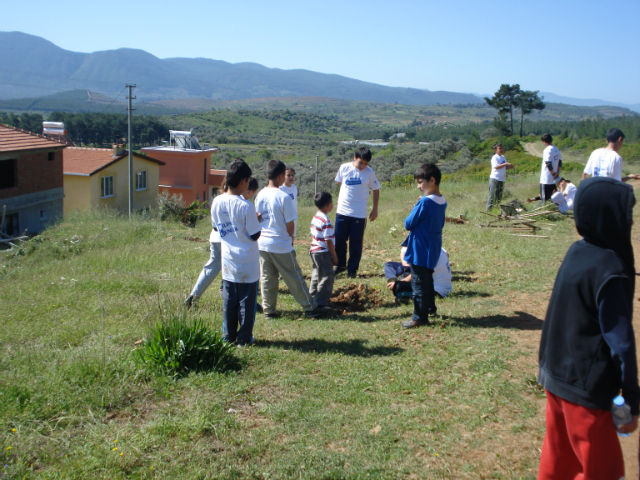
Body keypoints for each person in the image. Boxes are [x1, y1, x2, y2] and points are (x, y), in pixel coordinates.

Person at [537, 177, 639, 479]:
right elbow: (621, 342)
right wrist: (631, 398)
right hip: (587, 389)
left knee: (559, 459)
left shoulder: (576, 251)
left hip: (555, 376)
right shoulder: (612, 270)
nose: (630, 220)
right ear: (609, 217)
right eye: (626, 214)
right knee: (599, 469)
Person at [255, 160, 329, 318]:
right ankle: (311, 308)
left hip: (262, 243)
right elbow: (290, 225)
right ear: (281, 175)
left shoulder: (260, 194)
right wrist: (290, 240)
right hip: (280, 243)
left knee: (267, 278)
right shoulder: (283, 197)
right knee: (294, 277)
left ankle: (269, 310)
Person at [185, 176, 260, 308]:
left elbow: (216, 225)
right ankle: (244, 301)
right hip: (230, 241)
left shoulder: (220, 199)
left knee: (212, 267)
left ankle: (194, 296)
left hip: (216, 237)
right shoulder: (243, 203)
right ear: (247, 189)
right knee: (237, 270)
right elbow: (248, 232)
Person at [210, 161, 262, 347]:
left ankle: (228, 336)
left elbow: (216, 227)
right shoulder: (246, 205)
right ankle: (244, 338)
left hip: (228, 261)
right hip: (247, 261)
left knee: (230, 302)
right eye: (248, 181)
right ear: (243, 181)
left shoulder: (216, 201)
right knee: (247, 304)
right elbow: (255, 234)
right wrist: (257, 220)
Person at [401, 163, 447, 329]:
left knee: (418, 284)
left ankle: (418, 317)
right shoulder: (442, 201)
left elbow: (408, 223)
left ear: (432, 180)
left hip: (420, 249)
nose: (419, 186)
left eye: (421, 182)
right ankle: (430, 308)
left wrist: (417, 204)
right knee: (428, 280)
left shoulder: (425, 203)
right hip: (433, 248)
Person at [334, 146, 381, 278]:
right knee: (339, 239)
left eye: (366, 164)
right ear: (355, 158)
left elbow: (376, 189)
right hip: (342, 211)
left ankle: (352, 269)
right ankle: (340, 265)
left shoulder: (370, 173)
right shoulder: (344, 168)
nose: (362, 166)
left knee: (355, 242)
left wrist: (375, 209)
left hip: (359, 214)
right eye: (361, 162)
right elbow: (340, 183)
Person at [385, 242, 452, 299]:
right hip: (444, 288)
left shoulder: (427, 252)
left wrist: (399, 282)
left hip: (435, 291)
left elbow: (417, 273)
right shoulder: (436, 247)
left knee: (398, 288)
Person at [309, 192, 338, 308]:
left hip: (314, 251)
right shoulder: (326, 221)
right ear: (327, 205)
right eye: (331, 202)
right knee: (327, 277)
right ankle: (320, 303)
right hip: (323, 252)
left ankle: (311, 297)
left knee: (316, 275)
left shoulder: (316, 216)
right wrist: (334, 256)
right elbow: (328, 241)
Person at [485, 143, 514, 211]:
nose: (501, 150)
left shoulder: (503, 157)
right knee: (492, 195)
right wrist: (506, 164)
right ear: (496, 150)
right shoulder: (495, 157)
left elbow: (504, 167)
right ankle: (488, 210)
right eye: (499, 148)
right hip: (495, 178)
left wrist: (510, 167)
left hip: (502, 179)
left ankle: (496, 209)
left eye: (502, 148)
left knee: (499, 196)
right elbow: (496, 166)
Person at [539, 133, 562, 202]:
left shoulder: (547, 150)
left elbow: (548, 163)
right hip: (553, 180)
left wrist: (553, 174)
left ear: (544, 142)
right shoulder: (557, 150)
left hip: (546, 178)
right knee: (551, 198)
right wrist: (557, 173)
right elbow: (560, 163)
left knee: (544, 199)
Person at [279, 168, 298, 239]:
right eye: (288, 175)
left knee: (292, 237)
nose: (291, 177)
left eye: (293, 175)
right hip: (284, 219)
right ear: (283, 176)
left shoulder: (294, 188)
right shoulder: (281, 188)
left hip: (293, 217)